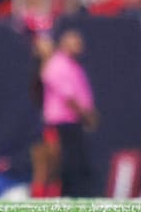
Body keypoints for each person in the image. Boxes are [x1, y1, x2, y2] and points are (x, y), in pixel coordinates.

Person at [40, 28, 98, 196]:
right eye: (76, 43)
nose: (80, 46)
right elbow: (68, 96)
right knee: (69, 161)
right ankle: (70, 194)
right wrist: (85, 114)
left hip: (73, 120)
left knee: (78, 160)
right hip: (63, 122)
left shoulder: (72, 64)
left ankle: (79, 194)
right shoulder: (58, 65)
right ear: (65, 44)